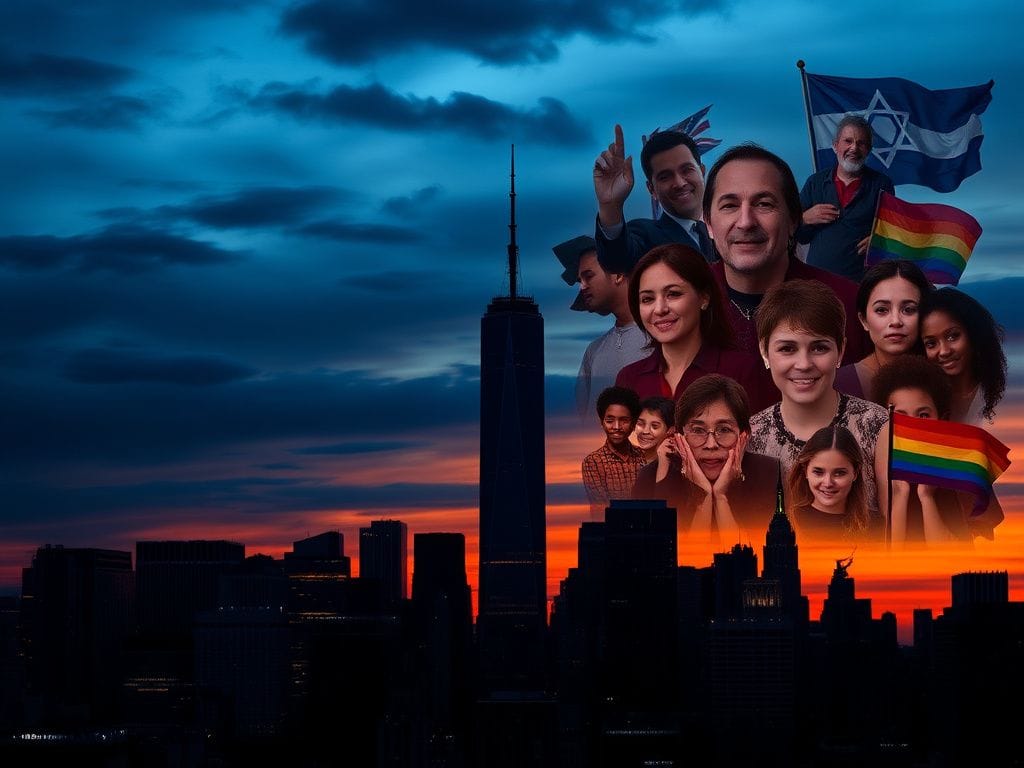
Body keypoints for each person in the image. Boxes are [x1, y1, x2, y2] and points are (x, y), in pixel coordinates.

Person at [702, 143, 869, 365]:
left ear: (793, 220)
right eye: (729, 206)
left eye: (764, 204)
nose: (745, 222)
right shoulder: (682, 302)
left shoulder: (850, 305)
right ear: (709, 223)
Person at [747, 279, 889, 518]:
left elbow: (896, 530)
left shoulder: (877, 425)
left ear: (840, 351)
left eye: (819, 348)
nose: (803, 364)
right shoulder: (750, 438)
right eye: (787, 349)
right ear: (764, 351)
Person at [614, 243, 776, 411]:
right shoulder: (629, 378)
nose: (660, 309)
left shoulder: (745, 371)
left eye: (673, 294)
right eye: (647, 299)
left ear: (704, 297)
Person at [633, 374, 779, 543]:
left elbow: (760, 555)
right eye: (698, 430)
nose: (711, 445)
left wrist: (721, 498)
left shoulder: (769, 472)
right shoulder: (650, 477)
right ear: (679, 436)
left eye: (724, 430)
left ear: (744, 435)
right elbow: (662, 555)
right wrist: (703, 499)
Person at [871, 356, 1003, 543]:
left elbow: (959, 555)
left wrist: (927, 497)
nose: (913, 426)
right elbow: (889, 554)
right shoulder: (873, 470)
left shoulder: (966, 470)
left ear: (942, 418)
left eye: (923, 415)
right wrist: (900, 493)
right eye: (900, 417)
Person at [592, 126, 716, 274]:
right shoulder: (647, 236)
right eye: (665, 177)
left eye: (687, 170)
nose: (680, 183)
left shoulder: (724, 227)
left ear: (702, 171)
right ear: (652, 189)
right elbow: (616, 260)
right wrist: (610, 206)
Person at [554, 234, 648, 421]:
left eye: (588, 276)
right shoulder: (593, 351)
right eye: (580, 280)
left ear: (618, 274)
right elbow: (581, 421)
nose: (582, 287)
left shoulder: (661, 339)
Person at [796, 115, 895, 281]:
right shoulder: (815, 182)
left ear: (869, 150)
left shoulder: (882, 184)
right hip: (817, 281)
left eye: (861, 143)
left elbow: (894, 230)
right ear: (835, 146)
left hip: (862, 281)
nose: (854, 148)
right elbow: (795, 233)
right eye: (848, 141)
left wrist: (881, 240)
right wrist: (804, 218)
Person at [834, 260, 933, 398]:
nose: (895, 321)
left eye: (908, 309)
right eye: (881, 310)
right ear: (864, 320)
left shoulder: (942, 377)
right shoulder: (838, 383)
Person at [919, 287, 1007, 425]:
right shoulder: (923, 399)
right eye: (931, 343)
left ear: (974, 333)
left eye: (953, 336)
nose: (944, 351)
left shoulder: (1004, 394)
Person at [786, 425, 877, 543]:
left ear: (855, 473)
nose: (828, 483)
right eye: (818, 472)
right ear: (805, 471)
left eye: (839, 473)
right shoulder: (786, 522)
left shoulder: (877, 526)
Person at [582, 386, 646, 517]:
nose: (616, 427)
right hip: (610, 527)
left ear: (634, 424)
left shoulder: (644, 456)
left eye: (624, 420)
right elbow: (600, 508)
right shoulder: (593, 462)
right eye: (610, 421)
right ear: (602, 422)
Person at [634, 396, 675, 463]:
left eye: (654, 426)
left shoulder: (676, 465)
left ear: (670, 430)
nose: (645, 431)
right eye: (640, 423)